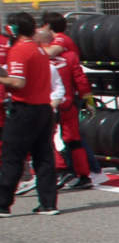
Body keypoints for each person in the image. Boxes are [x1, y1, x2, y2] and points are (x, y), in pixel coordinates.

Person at [0, 12, 60, 215]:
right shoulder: (40, 50)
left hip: (24, 110)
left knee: (12, 157)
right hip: (44, 109)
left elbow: (18, 82)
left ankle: (2, 203)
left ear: (14, 29)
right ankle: (48, 203)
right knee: (44, 157)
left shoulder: (19, 50)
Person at [43, 13, 91, 190]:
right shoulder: (70, 56)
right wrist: (88, 100)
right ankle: (83, 174)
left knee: (46, 137)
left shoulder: (44, 55)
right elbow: (81, 80)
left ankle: (62, 170)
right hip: (69, 101)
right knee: (73, 139)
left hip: (51, 102)